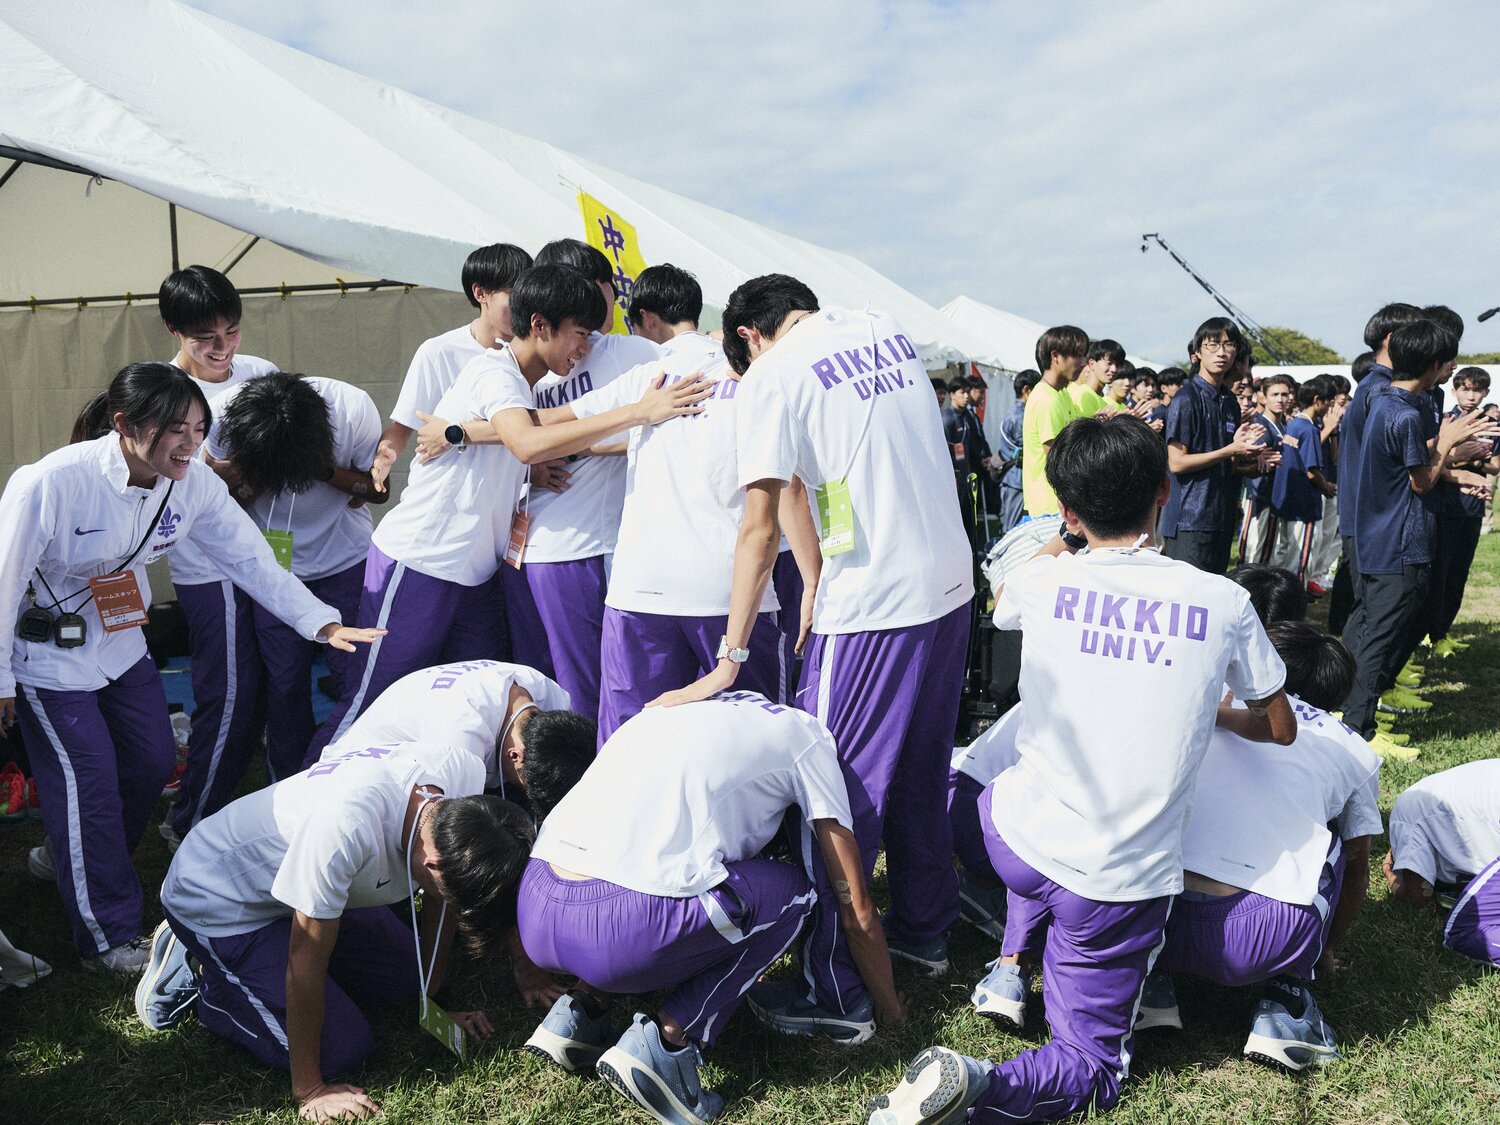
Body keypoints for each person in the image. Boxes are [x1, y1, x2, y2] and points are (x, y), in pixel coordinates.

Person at [866, 413, 1293, 1125]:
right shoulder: (1223, 600)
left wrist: (1067, 534)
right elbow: (1278, 726)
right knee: (1091, 1066)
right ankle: (979, 1083)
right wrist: (1212, 709)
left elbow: (1004, 601)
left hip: (1010, 840)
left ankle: (1013, 948)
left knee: (997, 794)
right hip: (1113, 881)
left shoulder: (1048, 581)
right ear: (1164, 489)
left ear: (1067, 509)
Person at [654, 275, 974, 1037]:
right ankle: (926, 927)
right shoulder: (879, 326)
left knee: (835, 791)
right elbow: (828, 472)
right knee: (923, 766)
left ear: (750, 338)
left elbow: (758, 525)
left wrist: (731, 655)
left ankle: (836, 985)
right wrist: (817, 575)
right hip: (950, 585)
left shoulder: (772, 374)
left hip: (877, 610)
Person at [0, 363, 381, 973]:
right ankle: (109, 936)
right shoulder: (50, 482)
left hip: (122, 644)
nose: (191, 443)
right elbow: (4, 579)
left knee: (152, 761)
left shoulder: (193, 483)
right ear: (124, 425)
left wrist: (321, 623)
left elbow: (254, 561)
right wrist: (0, 680)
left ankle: (74, 857)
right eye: (174, 429)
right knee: (88, 782)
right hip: (48, 655)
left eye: (199, 428)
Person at [305, 265, 709, 759]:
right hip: (419, 562)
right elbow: (526, 440)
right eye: (579, 335)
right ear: (540, 325)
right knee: (370, 702)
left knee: (470, 713)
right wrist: (639, 412)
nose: (586, 348)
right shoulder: (494, 371)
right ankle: (305, 802)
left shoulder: (524, 381)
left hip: (478, 576)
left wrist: (490, 448)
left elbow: (545, 427)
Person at [518, 693, 907, 1124]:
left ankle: (580, 1012)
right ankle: (667, 1040)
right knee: (796, 893)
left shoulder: (669, 711)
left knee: (644, 861)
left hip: (535, 901)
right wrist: (891, 1008)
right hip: (619, 932)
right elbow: (856, 906)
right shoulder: (807, 738)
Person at [141, 739, 533, 1121]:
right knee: (341, 1050)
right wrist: (310, 1090)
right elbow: (304, 963)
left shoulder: (456, 780)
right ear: (433, 865)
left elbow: (441, 902)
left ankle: (261, 970)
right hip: (218, 900)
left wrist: (433, 1005)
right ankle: (207, 979)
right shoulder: (343, 829)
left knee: (407, 982)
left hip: (301, 887)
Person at [544, 264, 814, 742]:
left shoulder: (649, 377)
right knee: (753, 750)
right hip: (730, 596)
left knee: (631, 751)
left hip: (639, 593)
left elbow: (542, 427)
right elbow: (789, 486)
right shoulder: (759, 379)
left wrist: (460, 430)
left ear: (645, 318)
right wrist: (813, 580)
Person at [1144, 620, 1380, 1071]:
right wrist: (1326, 951)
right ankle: (1286, 1003)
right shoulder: (1354, 750)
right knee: (1341, 846)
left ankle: (1151, 983)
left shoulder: (1211, 705)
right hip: (1260, 937)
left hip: (1156, 914)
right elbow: (1360, 871)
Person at [165, 373, 386, 845]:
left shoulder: (352, 406)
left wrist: (322, 471)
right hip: (273, 571)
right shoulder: (222, 415)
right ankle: (288, 799)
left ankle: (354, 791)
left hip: (346, 561)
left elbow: (378, 488)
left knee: (356, 679)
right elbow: (217, 498)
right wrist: (245, 479)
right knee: (283, 686)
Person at [489, 240, 662, 726]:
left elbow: (655, 427)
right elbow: (507, 436)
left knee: (588, 690)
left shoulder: (629, 354)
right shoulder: (526, 369)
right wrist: (525, 459)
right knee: (540, 691)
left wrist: (577, 445)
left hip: (586, 549)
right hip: (522, 552)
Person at [157, 266, 283, 857]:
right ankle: (190, 823)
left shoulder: (259, 374)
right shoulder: (158, 392)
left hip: (269, 556)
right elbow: (182, 484)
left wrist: (250, 474)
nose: (221, 349)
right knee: (228, 693)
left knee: (268, 688)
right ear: (172, 331)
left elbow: (291, 450)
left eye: (230, 332)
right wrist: (232, 478)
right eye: (204, 338)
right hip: (210, 567)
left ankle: (243, 810)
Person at [1340, 321, 1494, 754]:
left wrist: (1452, 460)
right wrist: (1448, 443)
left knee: (1374, 630)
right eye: (1449, 361)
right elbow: (1421, 482)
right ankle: (1359, 731)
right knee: (1381, 637)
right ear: (1433, 365)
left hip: (1377, 538)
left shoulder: (1386, 401)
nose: (1452, 369)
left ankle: (1353, 718)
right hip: (1397, 541)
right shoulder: (1405, 412)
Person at [320, 658, 586, 817]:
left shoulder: (549, 694)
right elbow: (450, 836)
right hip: (362, 781)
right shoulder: (459, 745)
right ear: (515, 755)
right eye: (525, 782)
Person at [371, 243, 533, 492]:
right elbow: (401, 429)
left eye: (528, 295)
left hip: (503, 502)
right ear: (480, 293)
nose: (524, 305)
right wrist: (385, 454)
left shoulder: (538, 354)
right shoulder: (439, 352)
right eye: (513, 294)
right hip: (446, 493)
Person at [1332, 306, 1427, 636]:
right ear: (1392, 338)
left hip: (1368, 515)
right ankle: (1351, 685)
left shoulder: (1376, 385)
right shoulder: (1379, 390)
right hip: (1371, 518)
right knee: (1372, 613)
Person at [1159, 319, 1268, 574]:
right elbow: (1176, 462)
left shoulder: (1229, 402)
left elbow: (1223, 464)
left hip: (1221, 514)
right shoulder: (1186, 399)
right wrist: (1230, 451)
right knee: (1187, 597)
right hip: (1189, 518)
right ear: (1197, 353)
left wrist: (1248, 461)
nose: (1221, 352)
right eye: (1212, 345)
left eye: (1229, 345)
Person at [1385, 759, 1500, 967]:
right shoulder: (1431, 794)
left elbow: (1418, 899)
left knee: (1461, 932)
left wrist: (1395, 881)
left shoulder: (1407, 812)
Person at [1423, 367, 1500, 658]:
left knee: (1459, 574)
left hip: (1473, 507)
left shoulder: (1489, 423)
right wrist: (1460, 455)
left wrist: (1480, 460)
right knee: (1439, 573)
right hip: (1446, 505)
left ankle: (1443, 631)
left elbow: (1495, 463)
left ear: (1485, 394)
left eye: (1477, 390)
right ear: (1454, 391)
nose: (1471, 395)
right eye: (1465, 389)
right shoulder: (1445, 421)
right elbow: (1435, 461)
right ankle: (1429, 632)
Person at [1267, 376, 1335, 585]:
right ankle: (1292, 602)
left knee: (1286, 553)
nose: (1329, 407)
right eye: (1328, 402)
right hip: (1304, 503)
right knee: (1300, 559)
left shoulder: (1293, 425)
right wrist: (1327, 488)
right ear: (1317, 400)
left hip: (1288, 500)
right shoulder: (1309, 429)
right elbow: (1312, 471)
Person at [1022, 326, 1088, 518]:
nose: (1084, 363)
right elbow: (1058, 460)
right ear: (1055, 356)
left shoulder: (1061, 393)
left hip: (1061, 503)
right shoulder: (1046, 399)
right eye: (1078, 355)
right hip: (1050, 508)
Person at [1239, 373, 1294, 567]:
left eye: (1284, 394)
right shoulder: (1260, 425)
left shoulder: (1283, 425)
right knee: (1252, 551)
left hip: (1275, 495)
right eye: (1275, 394)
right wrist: (1257, 456)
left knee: (1266, 553)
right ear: (1263, 396)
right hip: (1258, 495)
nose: (1280, 399)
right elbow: (1253, 457)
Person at [996, 371, 1039, 534]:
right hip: (1015, 480)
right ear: (1026, 390)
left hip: (1017, 480)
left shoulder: (1017, 412)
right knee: (1011, 529)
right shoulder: (1019, 415)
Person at [1066, 338, 1123, 419]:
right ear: (1092, 364)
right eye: (1109, 363)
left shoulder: (1099, 399)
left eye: (1117, 365)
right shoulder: (1084, 395)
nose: (1114, 369)